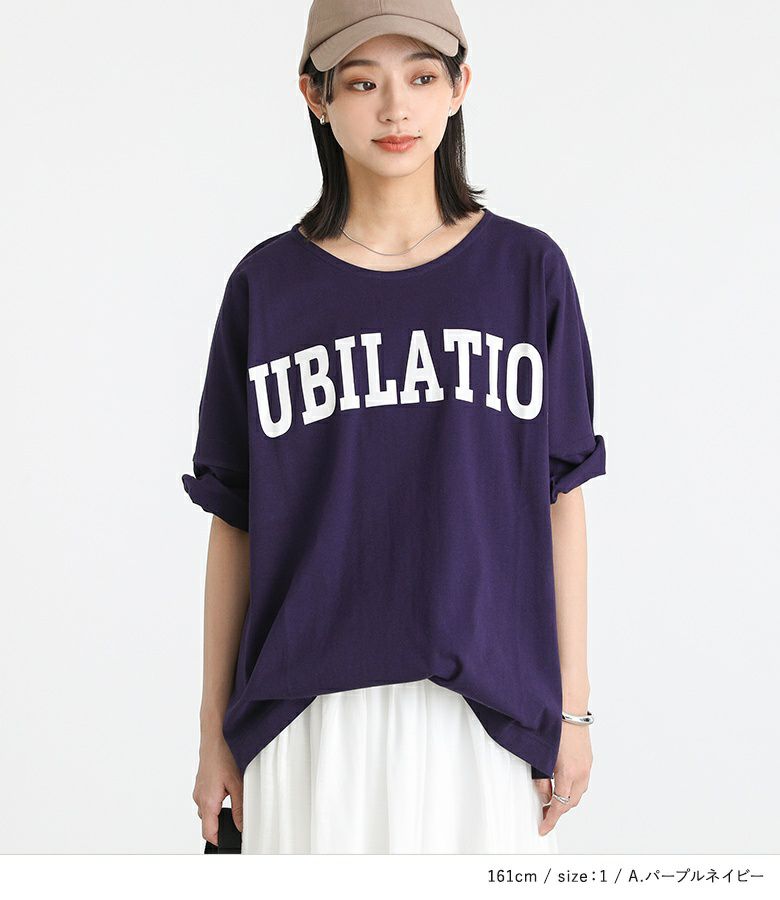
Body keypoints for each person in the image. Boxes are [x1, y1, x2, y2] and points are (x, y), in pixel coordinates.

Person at [184, 0, 606, 854]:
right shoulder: (268, 289)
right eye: (361, 83)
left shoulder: (526, 272)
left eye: (420, 77)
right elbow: (236, 522)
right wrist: (212, 732)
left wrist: (573, 711)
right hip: (306, 714)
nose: (395, 108)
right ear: (315, 97)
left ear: (459, 87)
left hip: (485, 713)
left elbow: (560, 499)